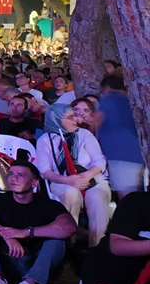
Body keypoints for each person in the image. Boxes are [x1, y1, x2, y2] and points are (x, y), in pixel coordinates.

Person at [35, 105, 111, 246]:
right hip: (62, 180)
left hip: (91, 178)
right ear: (56, 119)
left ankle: (97, 245)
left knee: (97, 198)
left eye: (76, 115)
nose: (77, 119)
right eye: (71, 117)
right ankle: (68, 244)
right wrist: (68, 180)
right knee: (71, 194)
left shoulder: (84, 135)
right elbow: (45, 171)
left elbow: (99, 160)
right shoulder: (45, 140)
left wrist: (86, 176)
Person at [94, 74, 143, 198]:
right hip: (139, 153)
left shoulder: (109, 99)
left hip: (120, 153)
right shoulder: (133, 100)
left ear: (107, 88)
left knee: (127, 197)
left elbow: (97, 122)